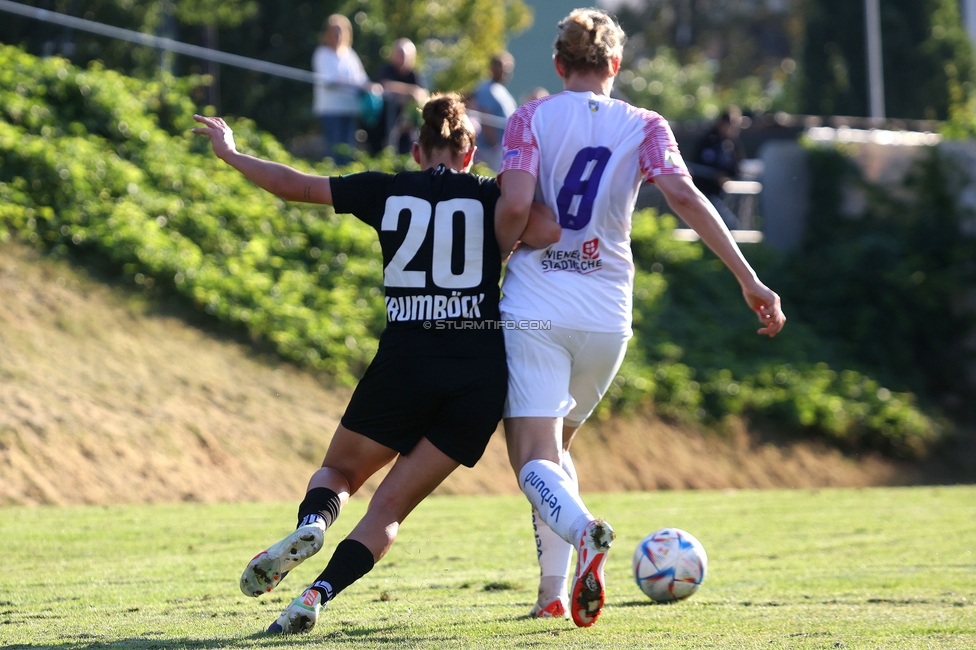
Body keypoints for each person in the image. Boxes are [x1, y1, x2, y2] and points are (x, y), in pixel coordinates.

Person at [191, 94, 559, 635]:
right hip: (477, 375)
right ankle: (317, 593)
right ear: (470, 151)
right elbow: (547, 229)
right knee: (388, 509)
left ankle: (315, 521)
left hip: (405, 363)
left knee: (340, 473)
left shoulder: (387, 190)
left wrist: (232, 152)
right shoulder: (490, 195)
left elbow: (297, 184)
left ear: (416, 150)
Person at [493, 8, 786, 627]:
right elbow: (684, 195)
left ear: (558, 64)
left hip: (536, 304)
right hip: (606, 315)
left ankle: (583, 535)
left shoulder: (530, 116)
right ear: (616, 66)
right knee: (559, 450)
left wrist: (494, 259)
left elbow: (516, 203)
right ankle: (550, 596)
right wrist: (748, 278)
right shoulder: (646, 124)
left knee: (530, 457)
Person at [312, 14, 375, 163]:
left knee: (347, 151)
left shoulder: (350, 54)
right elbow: (329, 80)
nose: (337, 35)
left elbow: (361, 79)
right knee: (334, 151)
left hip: (349, 109)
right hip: (331, 110)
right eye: (334, 31)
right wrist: (351, 83)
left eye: (340, 31)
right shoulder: (322, 54)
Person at [367, 38, 428, 155]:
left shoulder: (413, 74)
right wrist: (409, 91)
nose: (403, 59)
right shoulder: (386, 69)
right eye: (400, 54)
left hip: (405, 125)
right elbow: (384, 84)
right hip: (382, 123)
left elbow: (422, 93)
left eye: (405, 55)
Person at [690, 107, 746, 229]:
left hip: (722, 193)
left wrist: (726, 175)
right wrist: (715, 175)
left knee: (724, 225)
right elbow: (699, 165)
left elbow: (736, 168)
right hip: (704, 192)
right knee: (724, 224)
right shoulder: (708, 141)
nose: (735, 130)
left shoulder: (732, 144)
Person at [470, 52, 517, 172]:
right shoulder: (487, 89)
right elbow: (487, 120)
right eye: (501, 67)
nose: (505, 72)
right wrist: (495, 146)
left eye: (508, 68)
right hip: (493, 149)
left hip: (504, 147)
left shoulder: (500, 89)